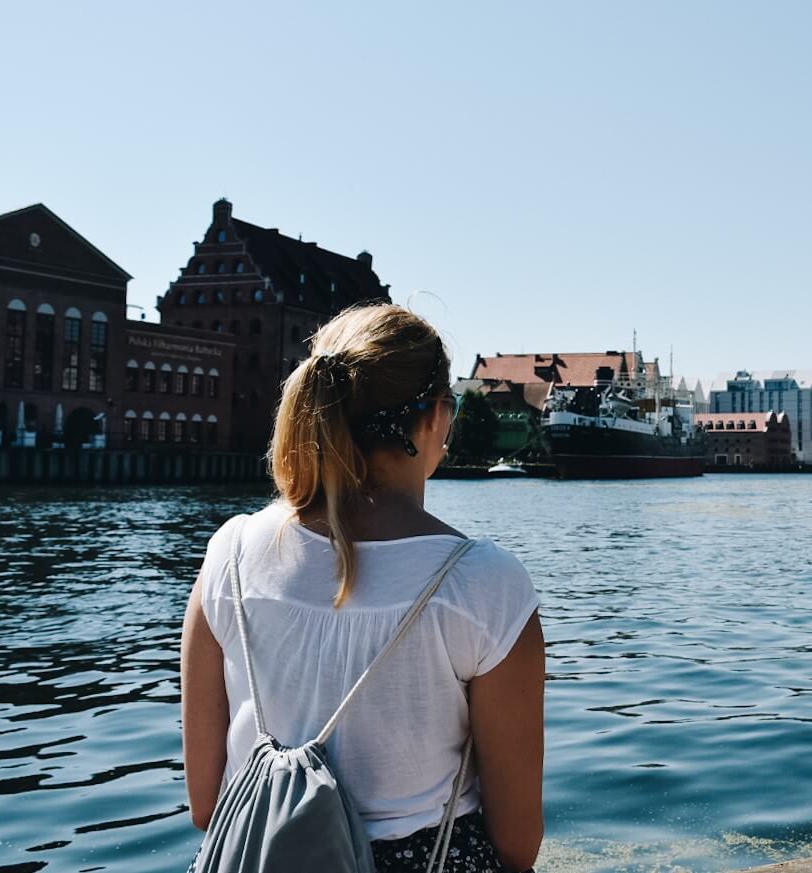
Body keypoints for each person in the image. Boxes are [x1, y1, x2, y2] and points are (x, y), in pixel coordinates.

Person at [180, 304, 545, 872]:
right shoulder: (483, 584)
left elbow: (208, 806)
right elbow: (517, 845)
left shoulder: (229, 554)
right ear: (437, 417)